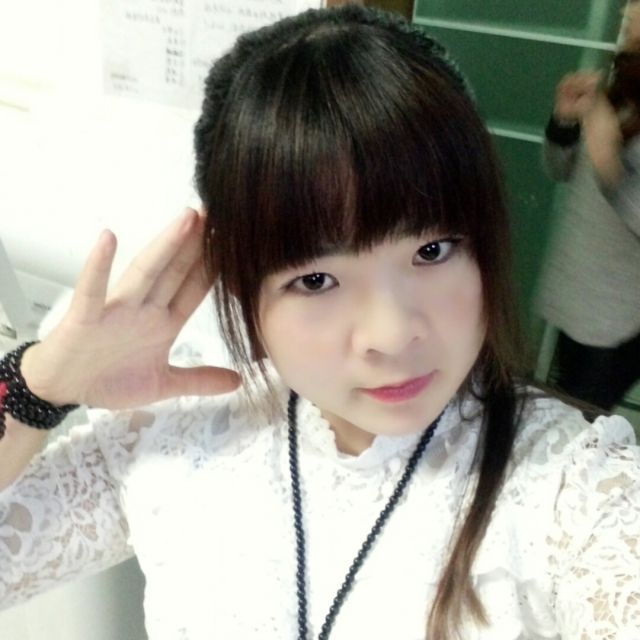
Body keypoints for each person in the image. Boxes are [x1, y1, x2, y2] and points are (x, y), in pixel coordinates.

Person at [0, 6, 638, 639]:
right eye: (315, 280)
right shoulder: (172, 436)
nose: (391, 335)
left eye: (432, 250)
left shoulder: (571, 488)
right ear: (242, 284)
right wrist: (38, 387)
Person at [537, 1, 640, 416]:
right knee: (560, 416)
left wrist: (611, 166)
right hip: (577, 293)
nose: (626, 13)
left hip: (618, 319)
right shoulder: (621, 87)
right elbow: (559, 169)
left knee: (576, 426)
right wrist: (563, 121)